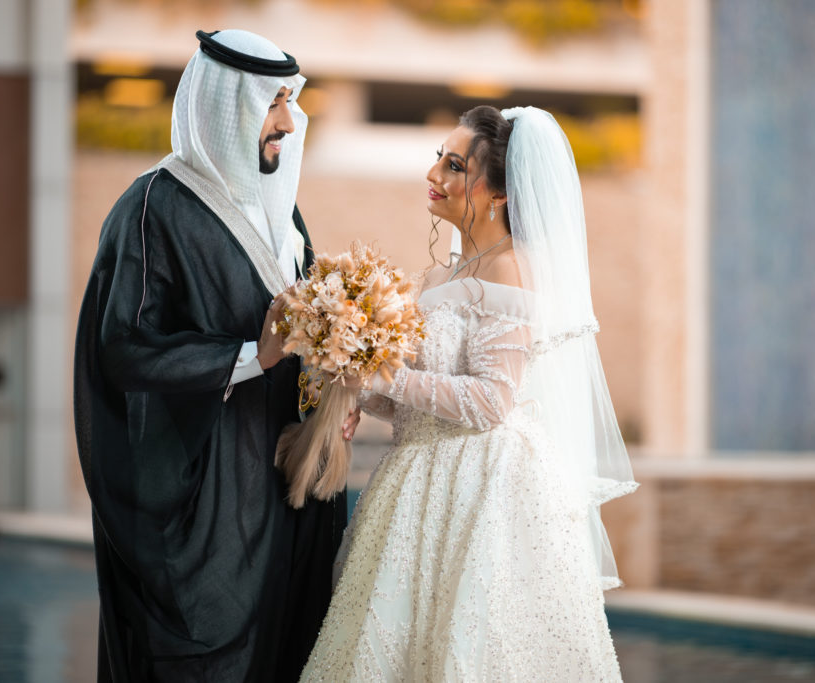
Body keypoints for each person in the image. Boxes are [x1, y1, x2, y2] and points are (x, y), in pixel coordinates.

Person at [300, 105, 638, 681]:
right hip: (416, 481)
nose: (434, 175)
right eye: (439, 159)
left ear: (502, 193)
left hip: (485, 489)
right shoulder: (438, 278)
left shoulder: (511, 269)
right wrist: (354, 387)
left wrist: (385, 378)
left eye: (455, 166)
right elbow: (413, 393)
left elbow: (490, 402)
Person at [73, 30, 349, 681]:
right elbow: (123, 350)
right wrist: (255, 353)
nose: (287, 120)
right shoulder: (151, 208)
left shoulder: (284, 216)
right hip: (207, 512)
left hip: (282, 499)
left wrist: (331, 392)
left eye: (289, 100)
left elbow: (302, 341)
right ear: (226, 106)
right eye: (272, 102)